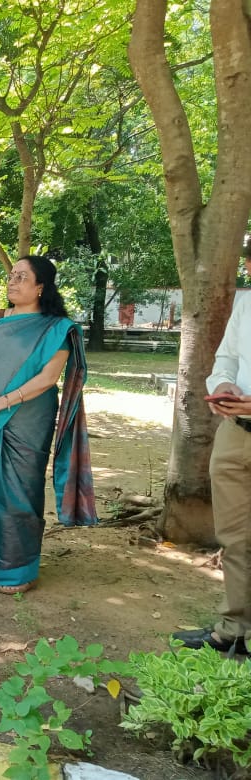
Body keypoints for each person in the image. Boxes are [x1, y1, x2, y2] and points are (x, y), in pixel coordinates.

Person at [0, 255, 97, 595]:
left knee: (20, 491)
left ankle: (17, 570)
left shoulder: (57, 328)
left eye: (22, 277)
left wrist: (3, 402)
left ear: (40, 287)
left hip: (27, 419)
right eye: (11, 276)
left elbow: (48, 378)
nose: (12, 281)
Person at [173, 256, 251, 653]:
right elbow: (227, 360)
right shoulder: (246, 303)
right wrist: (223, 387)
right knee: (236, 537)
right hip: (235, 432)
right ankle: (234, 629)